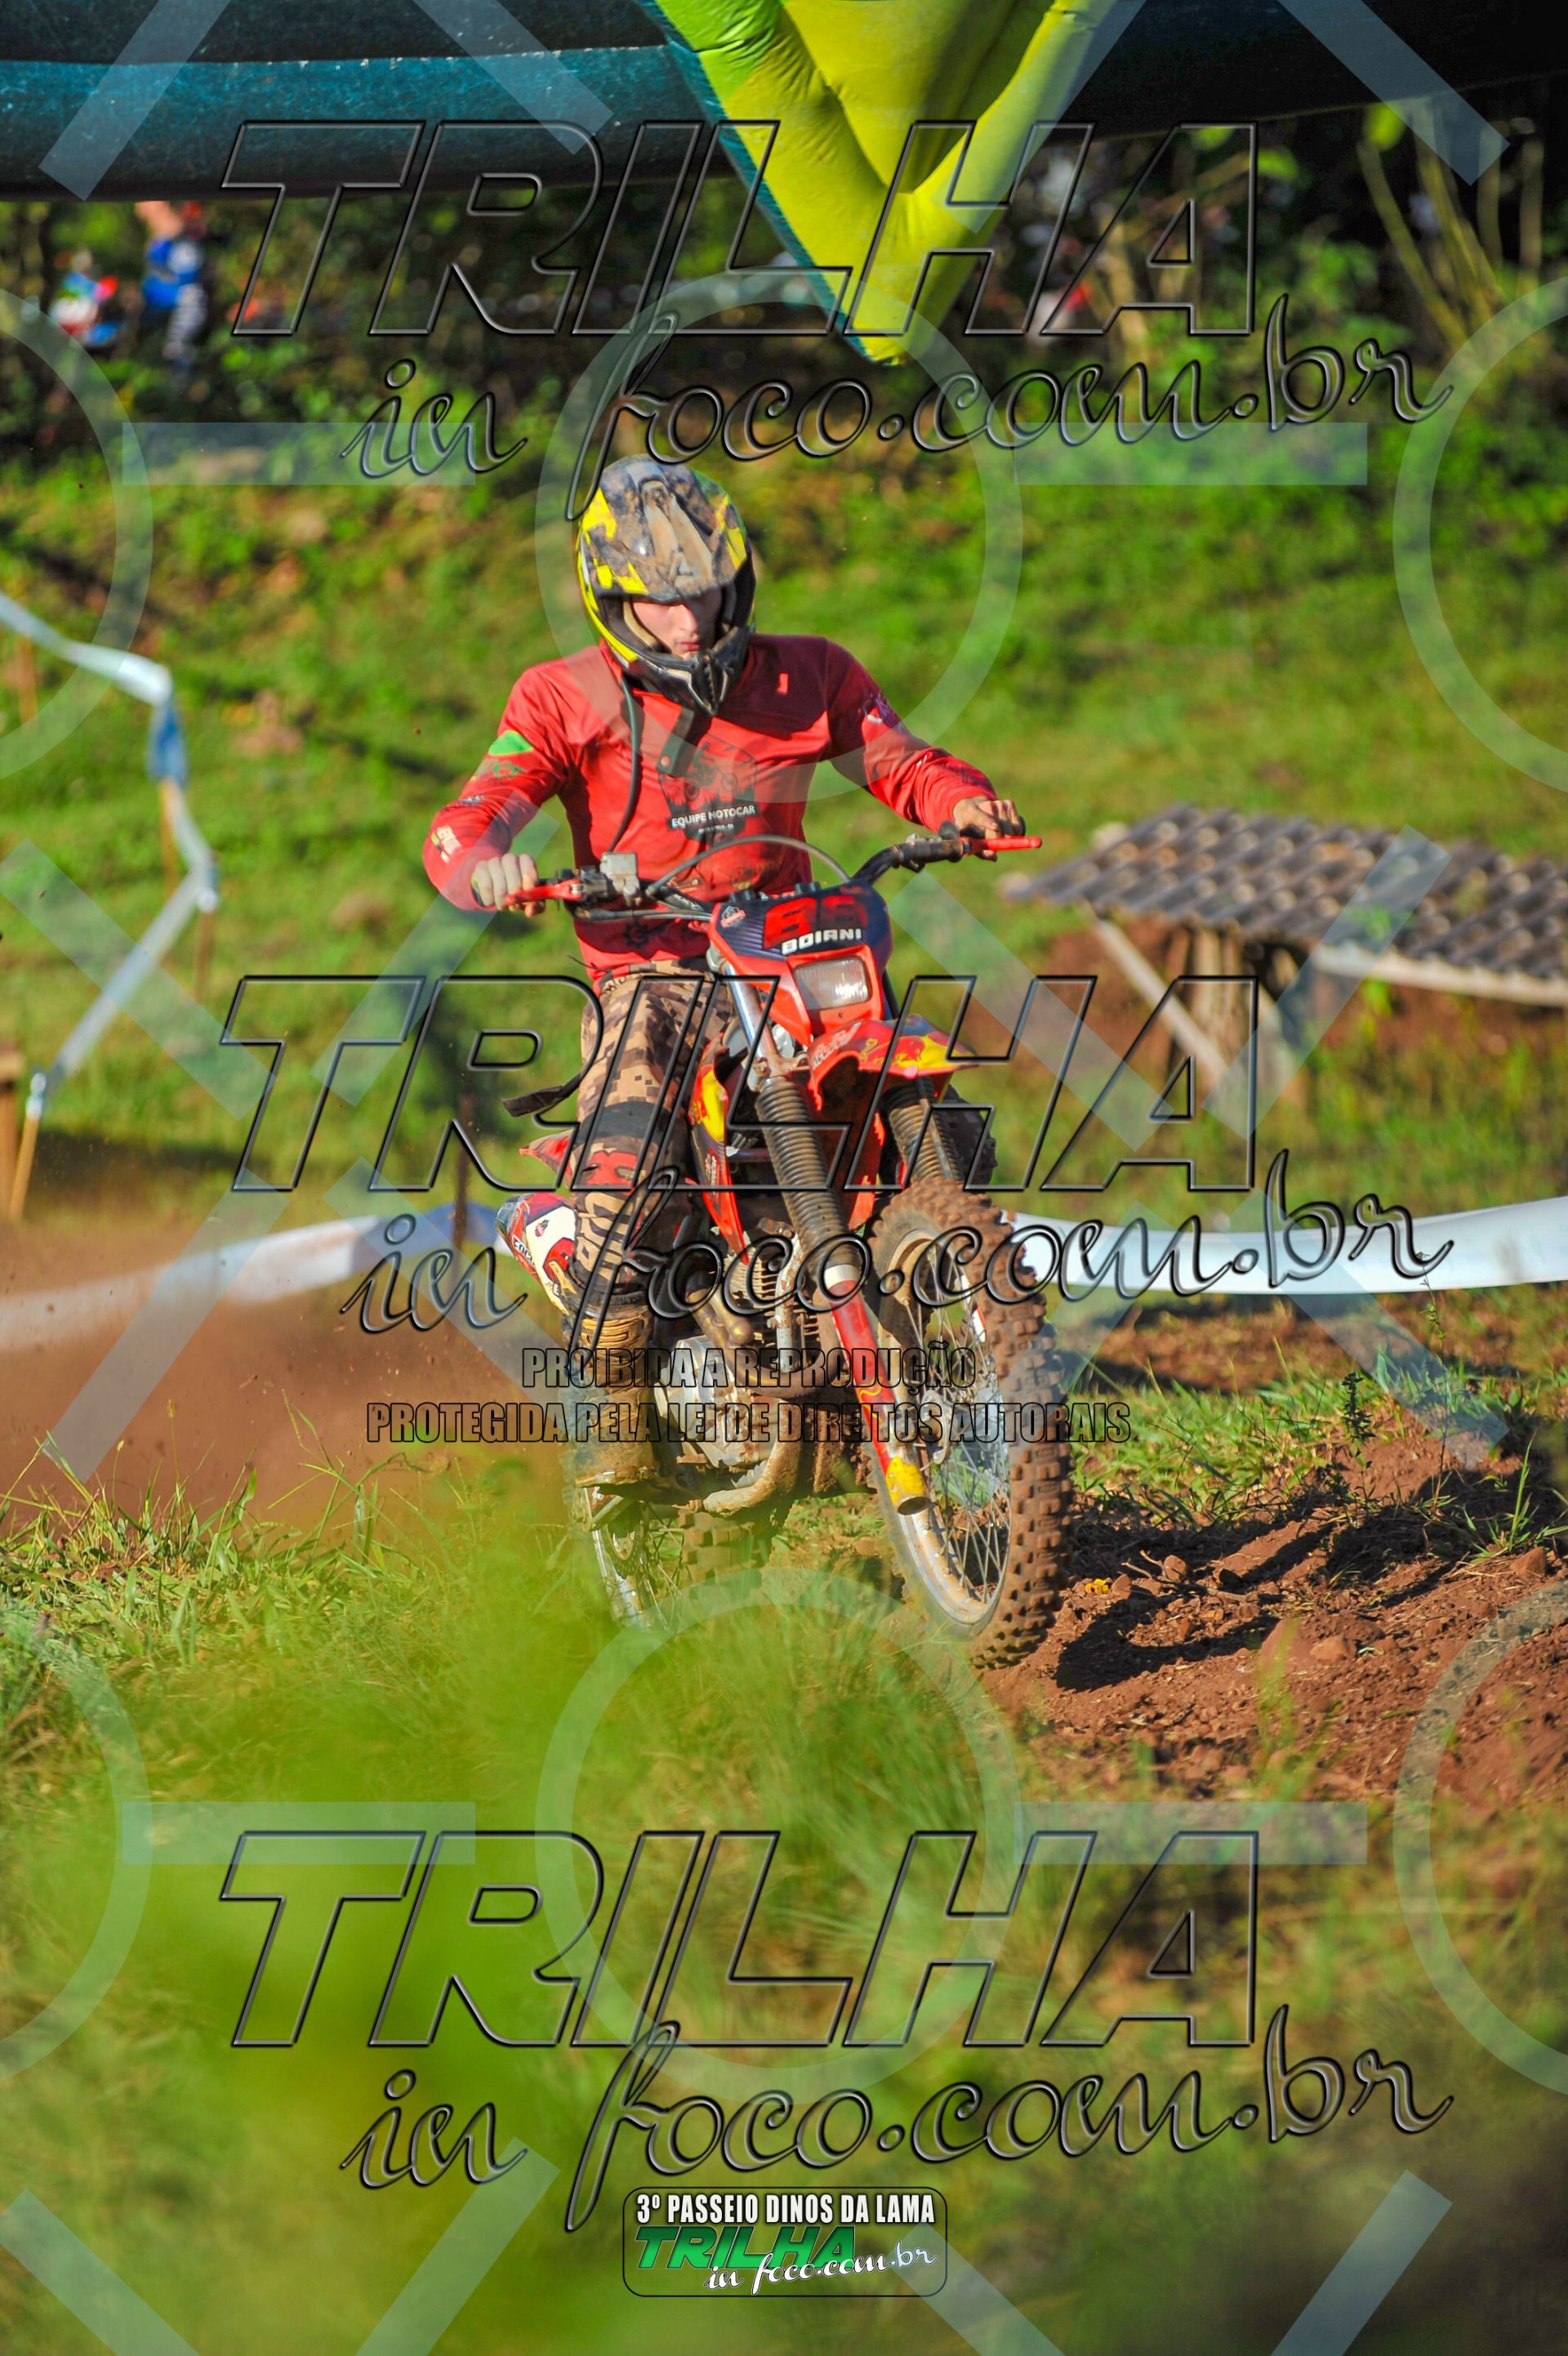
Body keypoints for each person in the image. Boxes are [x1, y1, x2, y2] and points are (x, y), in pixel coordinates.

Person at [422, 457, 1025, 1488]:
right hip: (653, 974)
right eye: (658, 600)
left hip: (792, 949)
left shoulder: (808, 674)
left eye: (701, 591)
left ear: (735, 579)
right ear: (613, 600)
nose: (686, 620)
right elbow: (477, 811)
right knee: (626, 1181)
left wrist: (960, 802)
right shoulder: (563, 695)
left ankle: (944, 1338)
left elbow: (896, 758)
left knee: (948, 1125)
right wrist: (489, 864)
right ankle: (616, 1420)